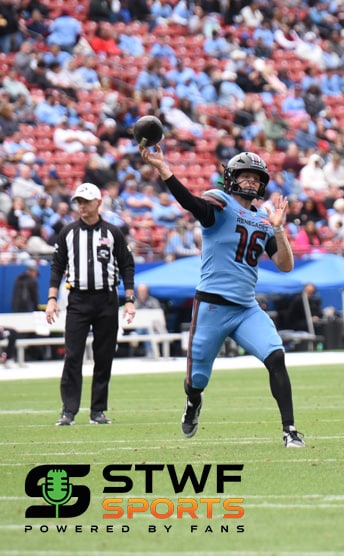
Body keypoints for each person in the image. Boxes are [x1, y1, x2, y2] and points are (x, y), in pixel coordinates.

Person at [140, 147, 305, 448]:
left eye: (256, 178)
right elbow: (191, 203)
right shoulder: (220, 204)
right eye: (245, 176)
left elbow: (285, 265)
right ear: (230, 178)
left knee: (276, 356)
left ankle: (290, 430)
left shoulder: (264, 220)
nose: (251, 182)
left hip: (246, 308)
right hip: (212, 306)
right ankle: (193, 402)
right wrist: (164, 169)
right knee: (196, 381)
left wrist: (279, 229)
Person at [46, 183, 136, 426]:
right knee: (73, 355)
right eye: (79, 202)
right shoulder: (68, 232)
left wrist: (129, 300)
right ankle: (68, 410)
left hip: (106, 299)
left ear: (98, 202)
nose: (82, 206)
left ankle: (98, 410)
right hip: (78, 300)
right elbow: (57, 267)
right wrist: (52, 299)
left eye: (86, 201)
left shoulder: (113, 232)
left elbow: (127, 265)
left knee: (104, 357)